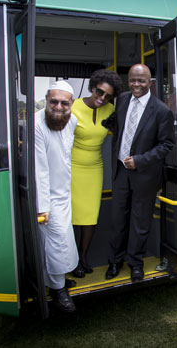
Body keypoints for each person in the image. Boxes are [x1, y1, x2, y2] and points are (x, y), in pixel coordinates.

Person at [106, 64, 175, 282]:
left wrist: (140, 160)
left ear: (150, 82)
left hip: (144, 174)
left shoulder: (162, 110)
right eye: (133, 80)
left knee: (140, 222)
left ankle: (135, 263)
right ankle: (115, 262)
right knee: (118, 220)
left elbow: (166, 145)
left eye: (141, 81)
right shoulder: (122, 100)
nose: (136, 85)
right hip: (120, 172)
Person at [71, 69, 122, 278]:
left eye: (108, 96)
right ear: (93, 87)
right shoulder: (72, 106)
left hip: (94, 167)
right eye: (99, 92)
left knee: (90, 216)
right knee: (70, 216)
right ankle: (71, 260)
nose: (102, 98)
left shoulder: (111, 110)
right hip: (71, 167)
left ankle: (83, 256)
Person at [35, 80, 79, 312]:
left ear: (71, 104)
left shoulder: (72, 120)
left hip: (64, 194)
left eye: (64, 103)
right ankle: (58, 290)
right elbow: (40, 168)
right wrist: (43, 207)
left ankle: (56, 280)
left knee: (62, 242)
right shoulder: (36, 123)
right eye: (54, 101)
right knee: (55, 243)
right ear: (46, 100)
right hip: (47, 199)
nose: (59, 107)